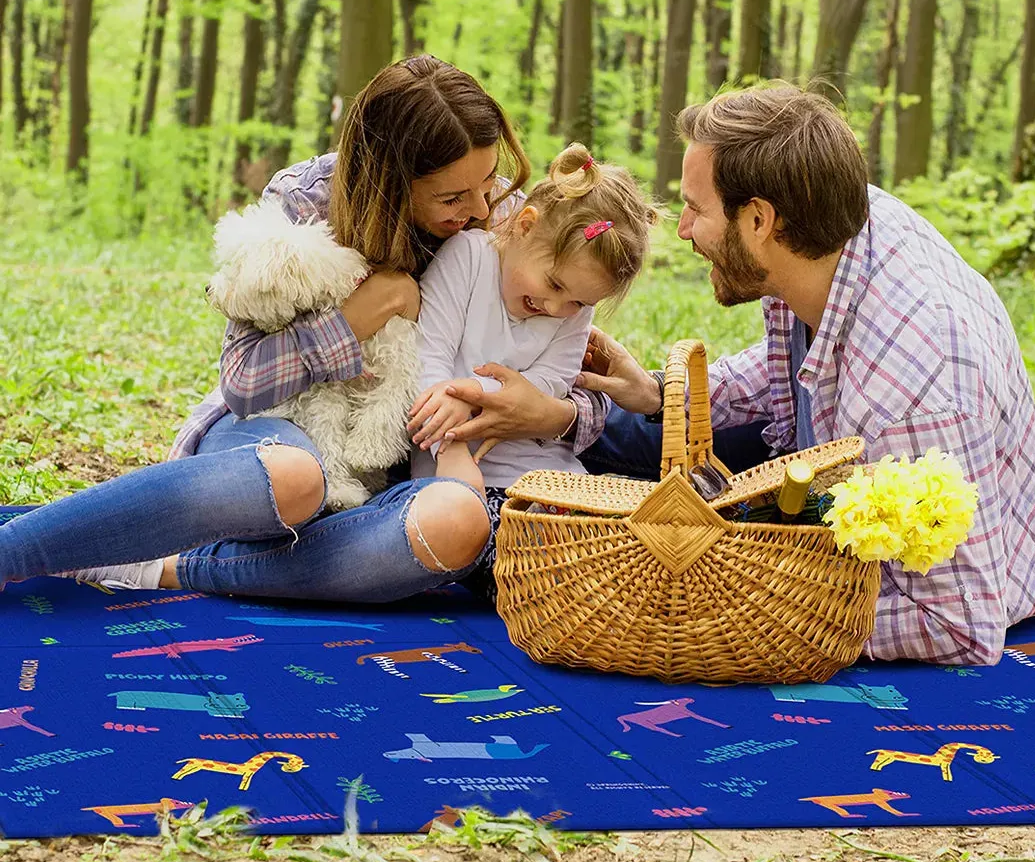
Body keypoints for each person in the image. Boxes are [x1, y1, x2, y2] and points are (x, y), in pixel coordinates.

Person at [0, 56, 605, 602]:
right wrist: (361, 315)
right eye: (452, 195)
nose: (478, 209)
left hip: (389, 484)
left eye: (487, 183)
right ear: (390, 180)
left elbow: (582, 361)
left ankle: (167, 567)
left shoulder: (510, 221)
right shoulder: (307, 201)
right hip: (277, 439)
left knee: (457, 524)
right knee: (297, 478)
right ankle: (17, 553)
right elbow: (241, 382)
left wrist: (554, 415)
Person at [547, 82, 1035, 667]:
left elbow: (959, 624)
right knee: (646, 439)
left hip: (939, 582)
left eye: (696, 209)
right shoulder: (827, 227)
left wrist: (757, 614)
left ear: (758, 220)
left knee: (665, 508)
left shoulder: (911, 387)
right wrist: (659, 393)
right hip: (829, 455)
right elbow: (793, 368)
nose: (683, 230)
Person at [406, 143, 658, 597]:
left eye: (579, 302)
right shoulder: (468, 258)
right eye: (555, 284)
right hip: (462, 470)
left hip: (550, 474)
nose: (557, 308)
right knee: (530, 565)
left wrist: (466, 391)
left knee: (624, 545)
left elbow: (550, 385)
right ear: (525, 227)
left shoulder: (572, 313)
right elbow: (427, 357)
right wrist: (451, 448)